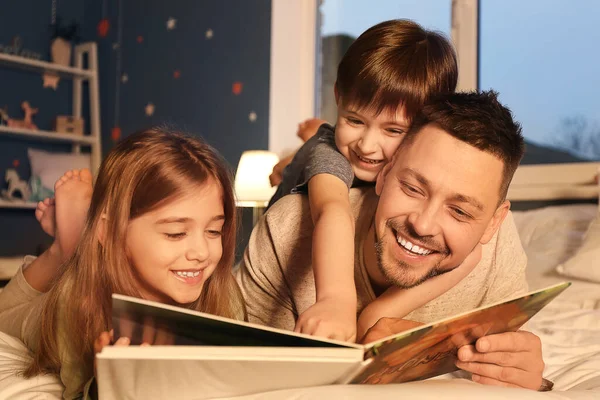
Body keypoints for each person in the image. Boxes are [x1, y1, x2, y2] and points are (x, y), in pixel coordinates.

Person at [237, 91, 552, 391]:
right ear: (384, 175)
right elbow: (236, 372)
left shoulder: (498, 250)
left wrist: (528, 377)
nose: (423, 224)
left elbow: (510, 368)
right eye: (413, 189)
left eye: (458, 211)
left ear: (494, 223)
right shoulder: (288, 230)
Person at [266, 19, 480, 343]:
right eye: (354, 119)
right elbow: (332, 211)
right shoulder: (332, 156)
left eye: (393, 130)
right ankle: (300, 153)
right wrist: (336, 300)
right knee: (321, 146)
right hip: (305, 193)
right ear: (338, 97)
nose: (366, 145)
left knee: (473, 254)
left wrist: (376, 315)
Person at [0, 128, 245, 399]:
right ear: (110, 232)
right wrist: (104, 383)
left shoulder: (224, 297)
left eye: (214, 231)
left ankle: (76, 244)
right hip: (54, 307)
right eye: (175, 233)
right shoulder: (76, 305)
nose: (201, 252)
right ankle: (63, 252)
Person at [269, 117, 328, 187]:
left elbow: (280, 170)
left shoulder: (320, 154)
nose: (300, 125)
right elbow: (275, 177)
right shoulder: (289, 152)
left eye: (306, 124)